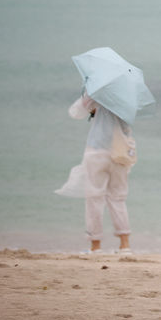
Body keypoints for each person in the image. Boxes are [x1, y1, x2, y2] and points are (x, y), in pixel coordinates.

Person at [57, 92, 134, 254]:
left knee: (94, 198)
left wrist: (89, 96)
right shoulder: (128, 97)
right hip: (121, 152)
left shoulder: (98, 93)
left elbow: (75, 112)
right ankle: (125, 245)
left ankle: (95, 245)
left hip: (97, 151)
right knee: (118, 198)